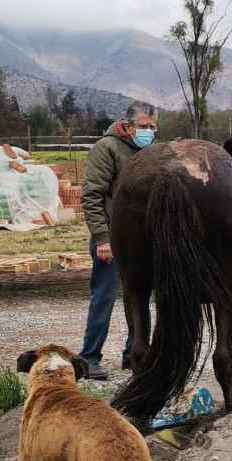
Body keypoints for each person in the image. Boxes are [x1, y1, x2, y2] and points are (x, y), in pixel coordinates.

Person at [79, 101, 157, 380]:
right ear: (127, 125)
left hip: (141, 240)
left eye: (152, 127)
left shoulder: (149, 153)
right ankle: (89, 357)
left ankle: (134, 354)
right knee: (105, 296)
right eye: (143, 126)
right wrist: (101, 237)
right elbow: (91, 196)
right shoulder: (107, 149)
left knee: (140, 297)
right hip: (112, 237)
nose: (148, 131)